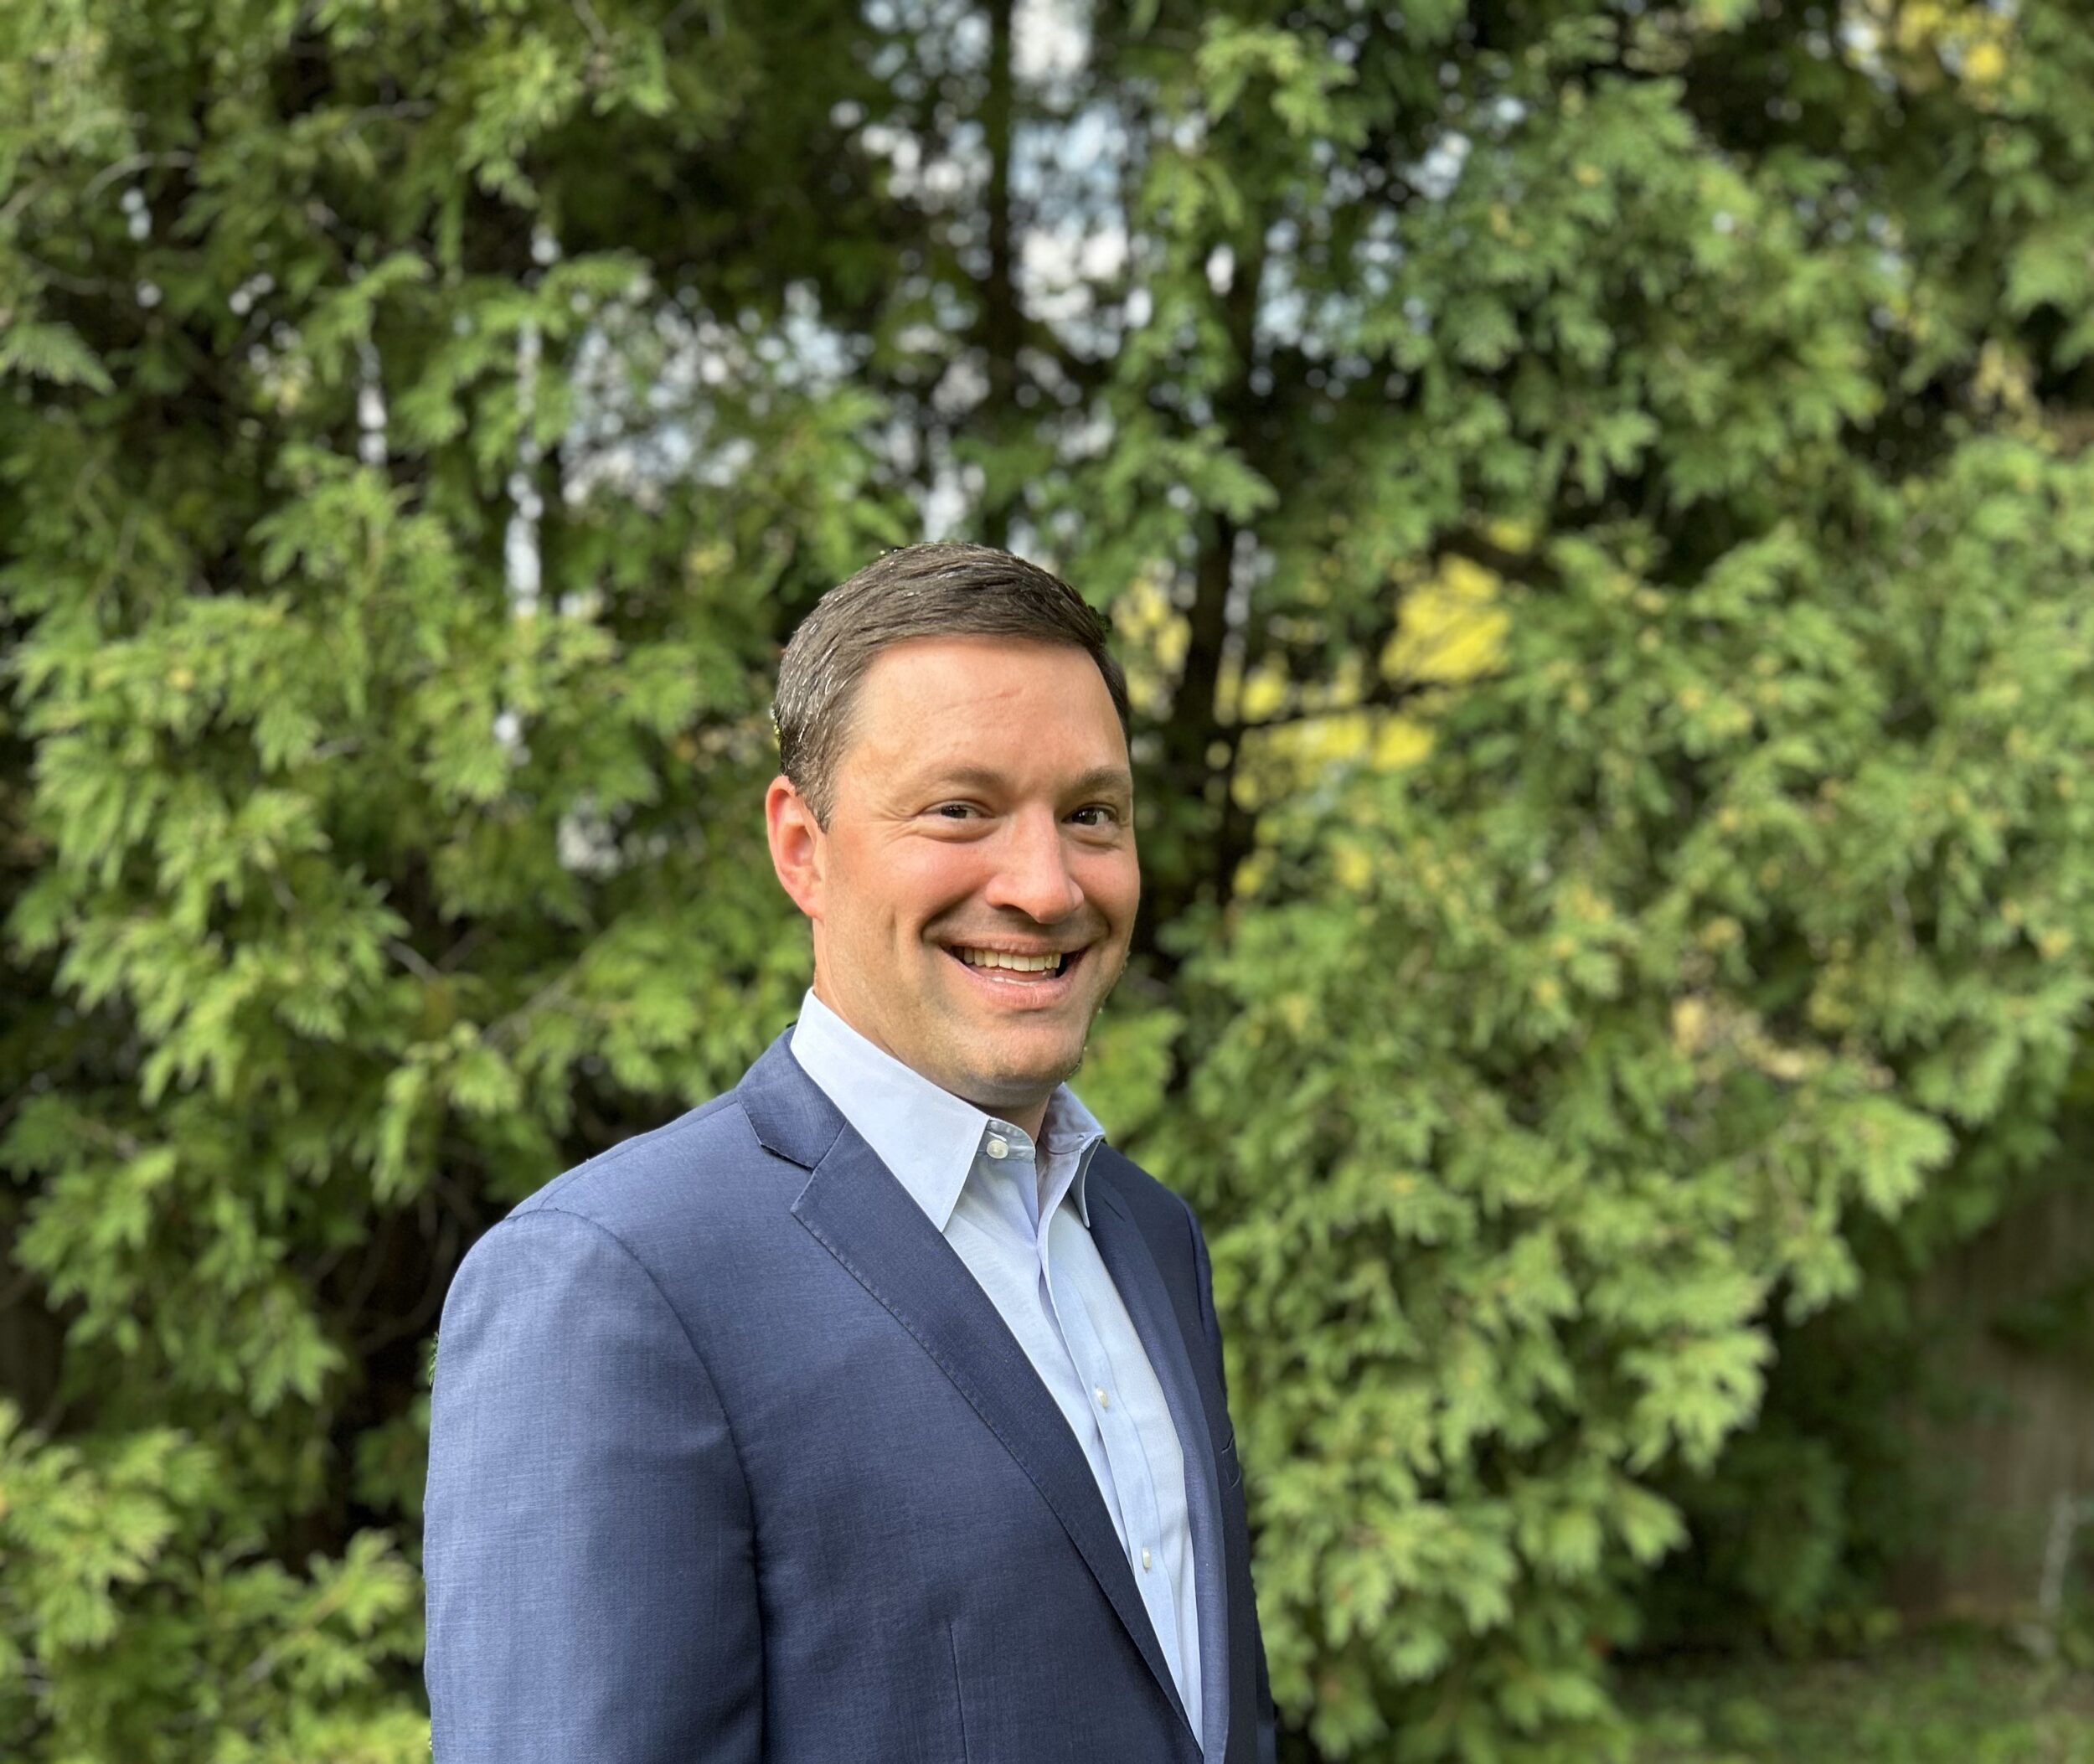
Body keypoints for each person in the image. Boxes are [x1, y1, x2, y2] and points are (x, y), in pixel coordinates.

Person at [424, 542, 1276, 1763]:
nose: (1046, 887)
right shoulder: (616, 1283)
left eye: (1091, 814)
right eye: (960, 810)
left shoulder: (1148, 1234)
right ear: (801, 847)